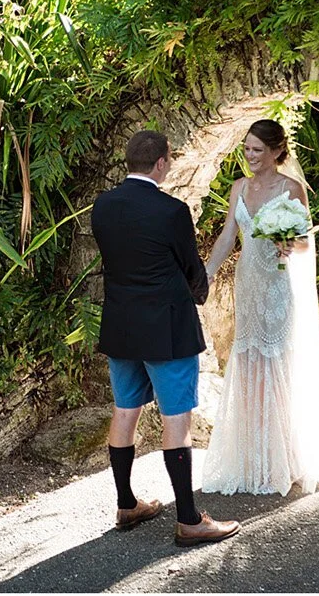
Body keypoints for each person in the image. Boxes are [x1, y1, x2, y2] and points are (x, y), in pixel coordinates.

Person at [90, 129, 241, 546]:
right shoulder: (172, 210)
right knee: (177, 419)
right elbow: (191, 267)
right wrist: (200, 292)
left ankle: (126, 504)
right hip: (167, 329)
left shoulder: (103, 205)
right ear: (160, 163)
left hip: (121, 326)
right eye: (169, 159)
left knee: (125, 411)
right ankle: (189, 519)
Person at [200, 118, 319, 495]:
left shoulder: (292, 189)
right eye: (246, 149)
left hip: (280, 287)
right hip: (249, 285)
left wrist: (288, 243)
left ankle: (285, 456)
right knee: (249, 362)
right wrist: (208, 273)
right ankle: (252, 457)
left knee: (279, 363)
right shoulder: (238, 188)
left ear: (278, 151)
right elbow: (229, 235)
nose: (250, 156)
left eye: (257, 150)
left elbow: (307, 243)